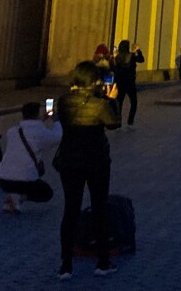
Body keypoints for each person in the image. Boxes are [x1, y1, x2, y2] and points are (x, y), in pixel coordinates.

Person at [56, 60, 120, 279]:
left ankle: (65, 265)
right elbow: (114, 123)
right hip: (96, 161)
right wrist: (112, 99)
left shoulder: (63, 101)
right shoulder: (100, 104)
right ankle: (103, 262)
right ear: (94, 80)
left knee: (70, 210)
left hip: (69, 160)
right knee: (100, 208)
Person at [0, 101, 61, 212]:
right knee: (47, 193)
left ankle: (13, 196)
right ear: (37, 114)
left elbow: (29, 129)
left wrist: (40, 120)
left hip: (2, 179)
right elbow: (58, 136)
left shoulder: (12, 131)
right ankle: (18, 198)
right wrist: (56, 121)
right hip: (24, 180)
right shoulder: (41, 133)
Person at [113, 40, 144, 127]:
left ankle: (118, 121)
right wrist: (138, 50)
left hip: (120, 82)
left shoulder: (117, 57)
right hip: (130, 82)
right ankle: (130, 121)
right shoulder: (132, 56)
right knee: (134, 102)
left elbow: (113, 68)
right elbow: (141, 60)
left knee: (119, 103)